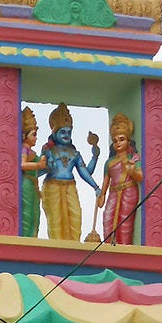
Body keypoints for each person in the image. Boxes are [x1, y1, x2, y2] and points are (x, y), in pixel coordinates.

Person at [40, 102, 101, 241]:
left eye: (69, 132)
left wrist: (95, 157)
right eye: (62, 132)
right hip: (52, 186)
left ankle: (73, 247)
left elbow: (86, 172)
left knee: (75, 216)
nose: (66, 135)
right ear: (54, 133)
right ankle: (57, 249)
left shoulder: (74, 153)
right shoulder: (49, 150)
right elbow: (40, 170)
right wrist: (46, 164)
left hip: (70, 187)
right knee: (55, 219)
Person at [94, 114, 143, 246]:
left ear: (128, 141)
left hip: (129, 190)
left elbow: (140, 176)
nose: (118, 143)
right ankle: (110, 244)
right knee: (108, 217)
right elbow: (106, 181)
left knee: (125, 221)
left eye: (121, 139)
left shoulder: (133, 158)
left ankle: (123, 246)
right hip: (113, 193)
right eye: (115, 141)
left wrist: (131, 169)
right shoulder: (109, 162)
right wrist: (102, 195)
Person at [20, 108, 47, 238]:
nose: (36, 138)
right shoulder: (24, 150)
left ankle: (32, 236)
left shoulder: (31, 152)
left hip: (33, 185)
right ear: (25, 135)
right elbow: (22, 165)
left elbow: (37, 169)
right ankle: (26, 237)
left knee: (36, 213)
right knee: (27, 212)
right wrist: (38, 165)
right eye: (33, 134)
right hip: (26, 184)